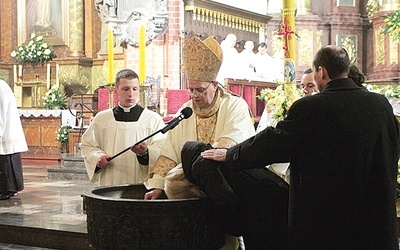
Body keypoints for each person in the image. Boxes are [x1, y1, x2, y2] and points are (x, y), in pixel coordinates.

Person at [201, 45, 400, 249]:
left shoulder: (312, 108)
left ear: (321, 71)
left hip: (328, 223)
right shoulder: (380, 105)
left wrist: (232, 154)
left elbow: (273, 143)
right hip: (374, 221)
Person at [144, 36, 289, 249]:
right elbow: (169, 153)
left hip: (223, 188)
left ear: (214, 84)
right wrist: (157, 185)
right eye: (191, 90)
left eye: (200, 90)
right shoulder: (185, 111)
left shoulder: (234, 106)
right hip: (190, 197)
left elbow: (232, 147)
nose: (195, 95)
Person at [81, 69, 166, 186]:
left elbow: (163, 148)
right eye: (125, 89)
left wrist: (146, 153)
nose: (130, 94)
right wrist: (98, 157)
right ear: (116, 91)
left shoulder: (153, 119)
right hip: (110, 181)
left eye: (134, 89)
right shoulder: (102, 118)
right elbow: (87, 145)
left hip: (141, 184)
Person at [0, 80, 28, 200]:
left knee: (6, 160)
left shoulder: (0, 86)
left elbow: (1, 111)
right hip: (6, 128)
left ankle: (7, 189)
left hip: (6, 129)